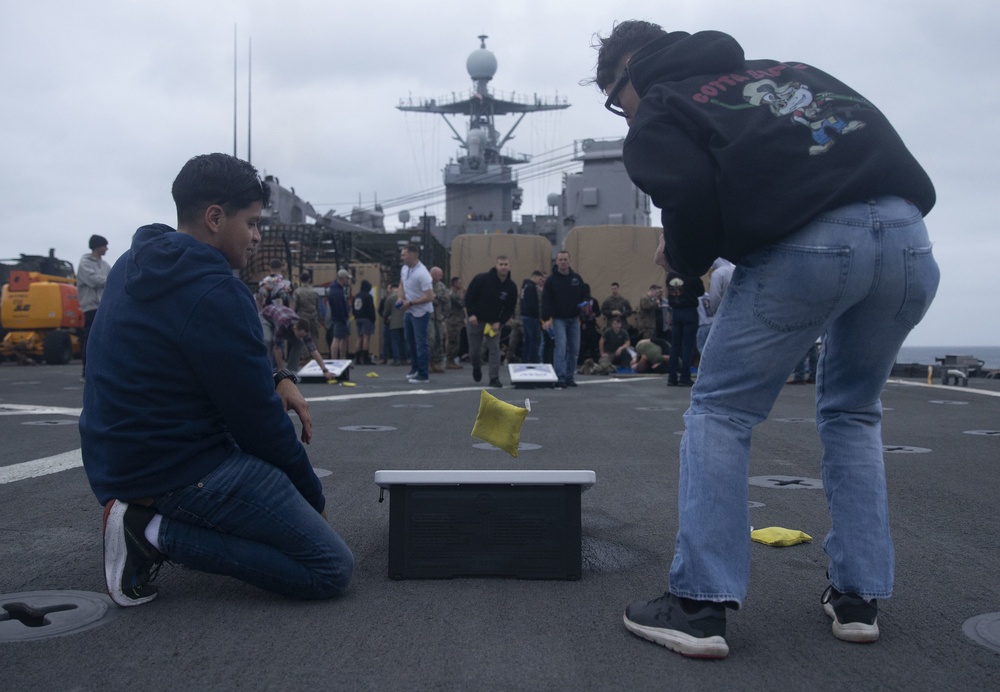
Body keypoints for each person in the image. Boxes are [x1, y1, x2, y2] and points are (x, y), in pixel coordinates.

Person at [594, 20, 938, 657]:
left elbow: (692, 196)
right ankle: (858, 597)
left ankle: (699, 604)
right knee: (854, 412)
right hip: (909, 238)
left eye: (616, 101)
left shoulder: (662, 107)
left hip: (811, 245)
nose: (624, 116)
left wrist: (685, 257)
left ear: (630, 76)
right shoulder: (788, 70)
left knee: (720, 412)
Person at [79, 152, 353, 607]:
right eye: (251, 223)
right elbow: (260, 426)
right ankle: (149, 533)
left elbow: (195, 351)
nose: (257, 235)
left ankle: (146, 517)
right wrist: (313, 497)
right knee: (328, 566)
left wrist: (276, 374)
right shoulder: (216, 292)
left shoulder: (135, 262)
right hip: (172, 468)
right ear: (214, 218)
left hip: (115, 457)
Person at [464, 256, 518, 387]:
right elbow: (469, 296)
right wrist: (471, 314)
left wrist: (500, 322)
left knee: (494, 349)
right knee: (475, 351)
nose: (503, 267)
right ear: (496, 266)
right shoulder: (482, 279)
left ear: (510, 267)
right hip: (476, 320)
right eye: (501, 264)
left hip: (493, 323)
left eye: (506, 264)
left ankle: (494, 378)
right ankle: (476, 366)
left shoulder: (511, 287)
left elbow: (510, 308)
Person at [541, 251, 588, 388]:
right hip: (558, 319)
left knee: (574, 349)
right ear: (556, 262)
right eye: (560, 259)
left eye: (565, 259)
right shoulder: (551, 280)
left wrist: (585, 303)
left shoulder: (576, 278)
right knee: (561, 348)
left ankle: (569, 376)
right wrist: (546, 319)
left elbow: (585, 293)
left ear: (569, 261)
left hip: (574, 318)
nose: (563, 262)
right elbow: (546, 300)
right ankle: (559, 377)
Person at [261, 303, 336, 378]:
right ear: (295, 328)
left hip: (279, 318)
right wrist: (281, 370)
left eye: (303, 335)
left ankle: (291, 370)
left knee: (299, 342)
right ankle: (267, 371)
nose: (301, 337)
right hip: (266, 317)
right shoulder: (282, 324)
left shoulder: (304, 329)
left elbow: (313, 350)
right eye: (300, 335)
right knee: (268, 340)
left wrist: (325, 370)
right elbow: (277, 348)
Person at [77, 234, 111, 381]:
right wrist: (110, 280)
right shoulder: (84, 263)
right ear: (97, 246)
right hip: (90, 306)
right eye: (104, 245)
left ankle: (100, 370)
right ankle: (86, 371)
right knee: (90, 338)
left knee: (103, 338)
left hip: (103, 305)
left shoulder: (105, 265)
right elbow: (93, 280)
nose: (107, 249)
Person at [399, 244, 434, 384]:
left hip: (421, 311)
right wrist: (400, 298)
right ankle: (415, 368)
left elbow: (430, 296)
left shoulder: (423, 273)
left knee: (421, 342)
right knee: (410, 341)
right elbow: (402, 284)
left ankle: (423, 374)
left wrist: (411, 303)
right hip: (409, 310)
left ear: (413, 255)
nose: (402, 257)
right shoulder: (405, 269)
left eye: (404, 255)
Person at [664, 270, 704, 387]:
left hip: (675, 311)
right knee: (688, 345)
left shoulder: (670, 275)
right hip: (689, 310)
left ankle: (672, 377)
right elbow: (700, 291)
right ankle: (684, 377)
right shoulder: (692, 273)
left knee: (675, 345)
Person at [696, 259, 735, 354]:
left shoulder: (718, 274)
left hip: (724, 314)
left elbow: (715, 297)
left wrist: (714, 312)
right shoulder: (736, 269)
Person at [428, 266, 450, 374]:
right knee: (430, 338)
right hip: (429, 315)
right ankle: (428, 362)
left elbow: (446, 299)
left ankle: (437, 362)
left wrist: (436, 297)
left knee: (439, 339)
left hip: (439, 316)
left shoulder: (441, 286)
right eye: (439, 274)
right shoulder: (426, 284)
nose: (441, 277)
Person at [519, 271, 544, 364]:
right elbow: (531, 304)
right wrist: (537, 314)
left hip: (525, 315)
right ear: (534, 277)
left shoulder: (524, 286)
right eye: (540, 279)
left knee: (528, 339)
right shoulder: (530, 287)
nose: (540, 281)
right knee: (533, 339)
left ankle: (526, 359)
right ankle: (533, 359)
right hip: (530, 316)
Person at [327, 269, 352, 360]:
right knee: (337, 338)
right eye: (347, 278)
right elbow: (339, 306)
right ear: (342, 278)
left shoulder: (336, 289)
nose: (348, 280)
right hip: (340, 318)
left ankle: (342, 358)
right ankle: (336, 359)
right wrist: (343, 317)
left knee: (343, 337)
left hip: (340, 317)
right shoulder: (337, 291)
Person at [292, 271, 321, 345]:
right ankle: (314, 354)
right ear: (309, 279)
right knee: (314, 338)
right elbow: (318, 307)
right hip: (314, 317)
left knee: (303, 337)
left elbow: (295, 307)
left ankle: (305, 356)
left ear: (300, 280)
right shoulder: (314, 292)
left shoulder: (297, 292)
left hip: (302, 317)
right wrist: (319, 320)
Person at [352, 279, 376, 365]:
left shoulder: (356, 296)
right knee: (366, 338)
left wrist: (355, 315)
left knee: (359, 337)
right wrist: (373, 320)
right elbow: (371, 310)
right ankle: (365, 358)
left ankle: (358, 358)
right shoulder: (368, 296)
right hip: (367, 319)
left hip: (358, 318)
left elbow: (353, 309)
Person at [446, 276, 466, 368]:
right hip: (453, 321)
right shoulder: (452, 294)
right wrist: (466, 295)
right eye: (460, 283)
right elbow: (462, 304)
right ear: (455, 284)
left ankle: (452, 360)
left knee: (456, 341)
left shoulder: (455, 293)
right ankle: (450, 361)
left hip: (456, 320)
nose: (461, 285)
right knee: (453, 341)